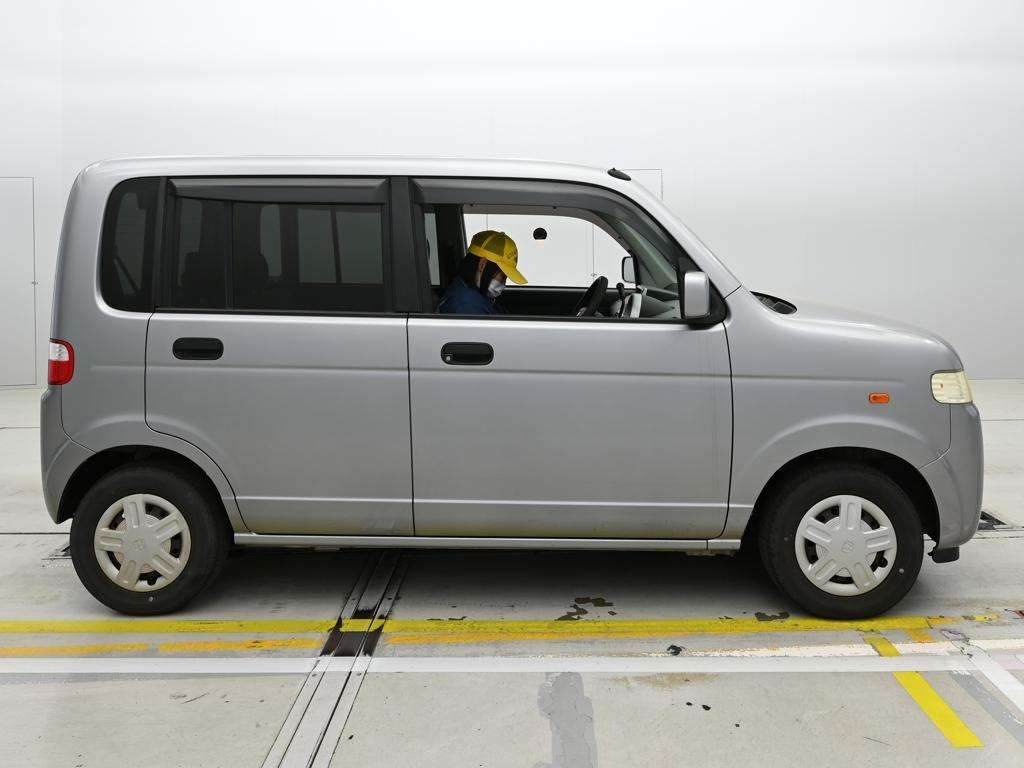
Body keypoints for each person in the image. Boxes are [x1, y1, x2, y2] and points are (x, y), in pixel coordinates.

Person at [438, 230, 527, 315]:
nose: (503, 284)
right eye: (503, 277)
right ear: (482, 264)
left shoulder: (474, 294)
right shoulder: (468, 306)